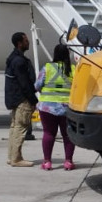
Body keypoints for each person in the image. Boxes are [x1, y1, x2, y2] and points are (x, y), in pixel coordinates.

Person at [35, 42, 76, 170]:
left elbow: (37, 85)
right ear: (67, 55)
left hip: (47, 106)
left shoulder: (47, 68)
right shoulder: (73, 70)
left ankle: (47, 162)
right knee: (67, 135)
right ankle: (68, 161)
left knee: (48, 133)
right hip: (67, 107)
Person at [4, 31, 37, 167]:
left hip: (13, 98)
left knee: (14, 127)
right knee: (21, 128)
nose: (28, 42)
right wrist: (33, 100)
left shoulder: (12, 58)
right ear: (19, 43)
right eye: (26, 40)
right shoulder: (19, 61)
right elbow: (24, 83)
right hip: (22, 99)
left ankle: (11, 156)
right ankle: (16, 158)